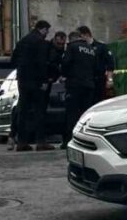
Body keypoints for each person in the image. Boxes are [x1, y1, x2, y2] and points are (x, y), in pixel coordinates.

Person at [59, 26, 111, 146]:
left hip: (75, 85)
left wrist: (64, 75)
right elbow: (96, 68)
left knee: (72, 113)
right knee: (85, 114)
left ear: (72, 39)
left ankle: (69, 140)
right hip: (89, 85)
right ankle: (85, 140)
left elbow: (65, 63)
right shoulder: (91, 49)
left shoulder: (72, 47)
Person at [12, 19, 54, 152]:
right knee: (39, 111)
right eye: (47, 31)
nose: (47, 34)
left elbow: (13, 61)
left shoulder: (22, 41)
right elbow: (41, 63)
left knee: (23, 111)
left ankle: (22, 142)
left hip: (23, 81)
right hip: (36, 82)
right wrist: (44, 81)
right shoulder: (40, 42)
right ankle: (40, 142)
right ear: (43, 29)